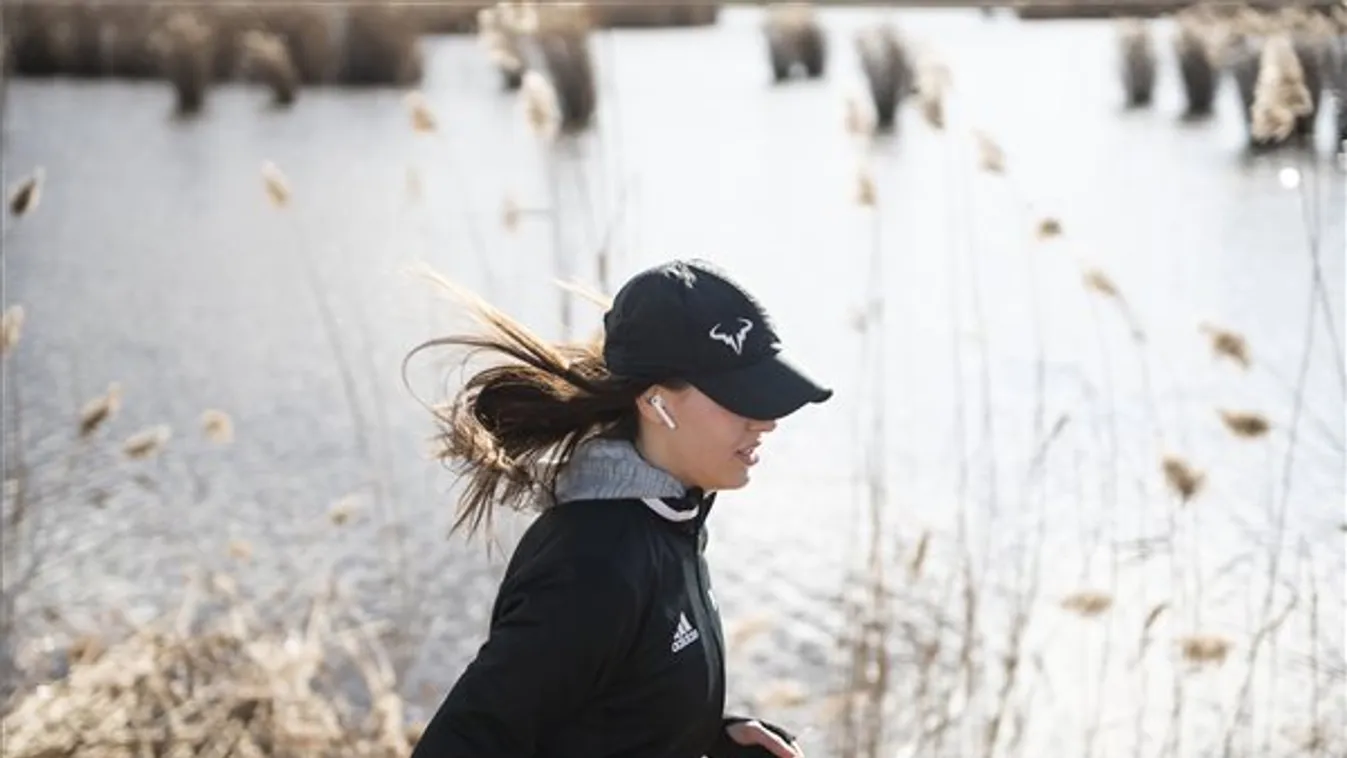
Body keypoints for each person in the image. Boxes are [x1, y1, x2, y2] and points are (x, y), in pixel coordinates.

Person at [406, 258, 833, 758]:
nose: (766, 421)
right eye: (740, 397)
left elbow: (602, 716)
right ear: (655, 404)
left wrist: (711, 741)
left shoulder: (672, 519)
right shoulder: (593, 564)